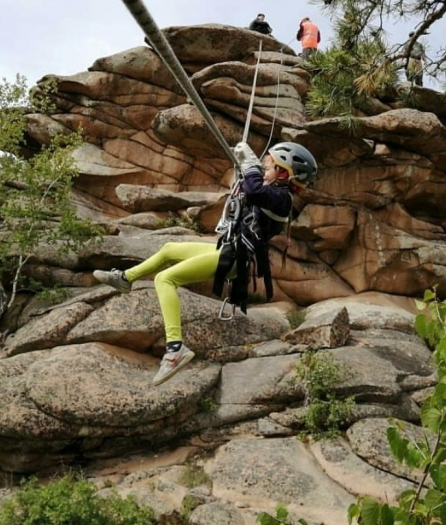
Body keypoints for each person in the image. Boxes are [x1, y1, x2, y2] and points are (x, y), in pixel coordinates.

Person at [93, 140, 318, 385]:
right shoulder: (271, 192)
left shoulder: (282, 198)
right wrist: (246, 170)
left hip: (233, 257)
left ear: (284, 173)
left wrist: (251, 166)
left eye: (269, 166)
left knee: (165, 279)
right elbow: (249, 191)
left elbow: (254, 191)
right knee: (169, 249)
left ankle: (175, 349)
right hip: (228, 248)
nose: (264, 169)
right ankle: (125, 279)